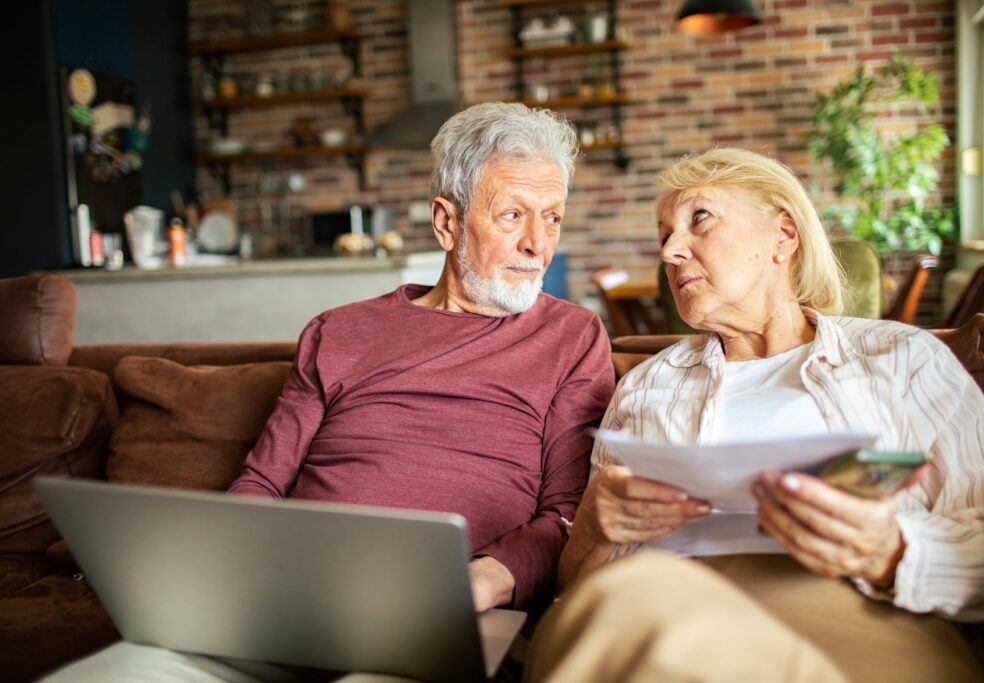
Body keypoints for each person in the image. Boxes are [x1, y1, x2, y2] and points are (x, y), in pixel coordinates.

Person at [44, 102, 615, 682]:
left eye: (553, 218)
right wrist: (220, 572)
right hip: (283, 600)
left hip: (435, 617)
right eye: (513, 215)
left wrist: (483, 581)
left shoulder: (572, 336)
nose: (537, 244)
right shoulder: (339, 330)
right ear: (446, 222)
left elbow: (566, 512)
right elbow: (264, 480)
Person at [525, 148, 984, 683]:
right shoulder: (647, 385)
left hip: (857, 617)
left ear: (783, 236)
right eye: (664, 234)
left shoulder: (904, 360)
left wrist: (891, 551)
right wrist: (595, 531)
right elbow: (573, 595)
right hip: (657, 615)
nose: (670, 251)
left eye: (700, 219)